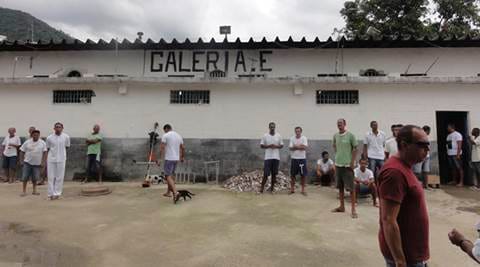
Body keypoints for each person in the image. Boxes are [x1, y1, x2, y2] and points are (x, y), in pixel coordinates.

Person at [378, 125, 430, 267]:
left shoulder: (405, 167)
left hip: (413, 254)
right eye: (422, 145)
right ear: (404, 145)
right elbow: (388, 220)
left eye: (428, 145)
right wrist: (400, 261)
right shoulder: (395, 172)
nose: (427, 150)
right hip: (407, 258)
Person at [331, 119, 358, 219]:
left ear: (345, 124)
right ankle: (342, 207)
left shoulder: (350, 135)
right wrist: (338, 156)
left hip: (347, 166)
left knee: (351, 188)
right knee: (340, 187)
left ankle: (353, 210)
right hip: (338, 165)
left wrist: (352, 162)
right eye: (338, 124)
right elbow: (334, 146)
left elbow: (355, 148)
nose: (339, 125)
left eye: (341, 124)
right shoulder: (335, 136)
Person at [159, 124, 185, 204]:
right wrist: (182, 157)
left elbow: (162, 147)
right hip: (176, 159)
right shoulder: (178, 136)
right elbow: (183, 148)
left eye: (164, 130)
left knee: (167, 176)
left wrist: (160, 159)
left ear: (166, 129)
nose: (164, 131)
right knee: (171, 175)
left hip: (169, 159)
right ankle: (168, 192)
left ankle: (175, 192)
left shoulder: (165, 135)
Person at [46, 122, 70, 200]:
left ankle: (57, 193)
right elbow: (48, 148)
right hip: (51, 159)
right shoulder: (49, 137)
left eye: (59, 127)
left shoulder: (66, 137)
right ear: (54, 128)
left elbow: (66, 147)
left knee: (60, 176)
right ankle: (50, 194)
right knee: (50, 177)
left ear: (62, 128)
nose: (58, 128)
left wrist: (61, 154)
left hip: (62, 159)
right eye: (56, 127)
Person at [19, 130, 47, 196]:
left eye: (37, 135)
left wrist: (43, 162)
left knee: (35, 178)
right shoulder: (27, 142)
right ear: (32, 135)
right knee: (25, 177)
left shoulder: (42, 143)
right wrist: (21, 160)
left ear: (39, 135)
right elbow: (22, 151)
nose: (36, 136)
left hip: (37, 164)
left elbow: (45, 153)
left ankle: (34, 190)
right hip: (27, 163)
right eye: (34, 135)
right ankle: (24, 191)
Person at [260, 122, 284, 193]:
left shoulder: (278, 135)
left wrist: (276, 146)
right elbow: (261, 145)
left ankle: (272, 189)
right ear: (269, 127)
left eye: (273, 127)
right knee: (266, 174)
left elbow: (282, 145)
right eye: (271, 127)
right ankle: (261, 188)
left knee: (274, 174)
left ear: (275, 127)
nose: (272, 128)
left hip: (276, 157)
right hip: (268, 157)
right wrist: (269, 146)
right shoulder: (265, 136)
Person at [289, 126, 308, 195]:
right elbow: (290, 148)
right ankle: (292, 189)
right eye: (296, 131)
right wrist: (300, 146)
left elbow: (305, 147)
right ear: (295, 132)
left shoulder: (304, 138)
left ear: (301, 132)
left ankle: (303, 190)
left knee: (303, 175)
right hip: (294, 159)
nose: (297, 132)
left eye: (299, 131)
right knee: (292, 175)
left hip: (302, 159)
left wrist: (295, 146)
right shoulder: (292, 138)